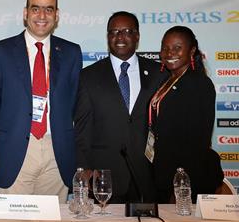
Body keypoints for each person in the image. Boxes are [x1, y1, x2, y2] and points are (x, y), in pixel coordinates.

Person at [0, 0, 81, 202]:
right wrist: (14, 128)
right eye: (35, 9)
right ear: (25, 13)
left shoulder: (71, 52)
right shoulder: (0, 51)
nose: (42, 16)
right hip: (17, 149)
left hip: (57, 151)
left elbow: (73, 101)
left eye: (48, 9)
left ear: (57, 15)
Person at [74, 11, 166, 202]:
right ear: (108, 37)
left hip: (149, 174)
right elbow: (82, 128)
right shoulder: (89, 76)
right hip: (104, 177)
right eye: (114, 32)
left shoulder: (159, 73)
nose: (120, 37)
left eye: (126, 31)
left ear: (137, 36)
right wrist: (84, 168)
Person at [150, 26, 222, 202]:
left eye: (177, 47)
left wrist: (181, 185)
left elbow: (197, 142)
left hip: (182, 180)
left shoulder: (198, 84)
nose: (169, 53)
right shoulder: (169, 79)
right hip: (163, 171)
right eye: (165, 48)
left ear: (192, 50)